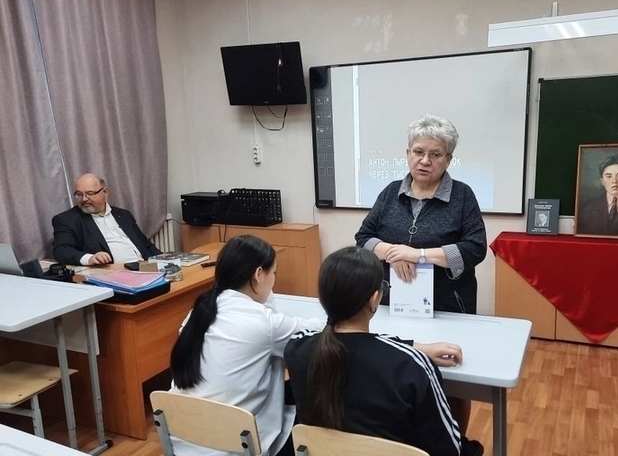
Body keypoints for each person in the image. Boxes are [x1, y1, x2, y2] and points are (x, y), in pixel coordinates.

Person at [285, 246, 483, 456]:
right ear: (374, 299)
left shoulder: (297, 347)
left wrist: (413, 346)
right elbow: (449, 448)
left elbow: (356, 342)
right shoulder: (411, 365)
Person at [169, 235, 325, 456]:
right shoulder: (262, 324)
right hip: (232, 446)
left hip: (184, 441)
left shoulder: (198, 312)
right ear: (259, 274)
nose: (274, 281)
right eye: (274, 273)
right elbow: (319, 330)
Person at [355, 114, 487, 315]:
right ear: (408, 153)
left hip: (447, 307)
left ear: (448, 160)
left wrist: (419, 255)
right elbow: (363, 238)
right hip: (389, 303)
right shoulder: (391, 192)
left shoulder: (463, 195)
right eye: (418, 152)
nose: (425, 161)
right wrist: (394, 253)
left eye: (435, 154)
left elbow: (475, 248)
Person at [52, 173, 162, 265]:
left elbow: (145, 245)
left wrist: (166, 260)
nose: (84, 199)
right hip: (116, 272)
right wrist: (89, 258)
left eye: (90, 193)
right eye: (79, 194)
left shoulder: (124, 215)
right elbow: (61, 250)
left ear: (105, 192)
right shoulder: (66, 220)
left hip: (146, 266)